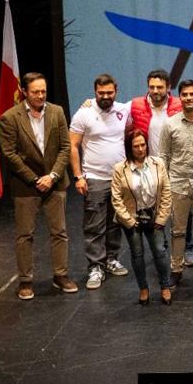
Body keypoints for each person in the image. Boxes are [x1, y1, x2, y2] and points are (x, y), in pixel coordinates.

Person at [0, 72, 77, 299]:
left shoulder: (57, 111)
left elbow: (65, 147)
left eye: (43, 91)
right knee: (25, 234)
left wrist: (52, 175)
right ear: (24, 92)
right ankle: (25, 281)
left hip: (55, 182)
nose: (41, 95)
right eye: (35, 92)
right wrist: (34, 179)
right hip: (26, 184)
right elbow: (10, 154)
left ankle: (60, 275)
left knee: (59, 232)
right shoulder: (10, 118)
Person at [69, 72, 131, 288]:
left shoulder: (123, 110)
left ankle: (111, 259)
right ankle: (95, 266)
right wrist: (78, 176)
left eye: (109, 92)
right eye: (101, 92)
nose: (105, 96)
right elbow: (72, 146)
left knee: (115, 222)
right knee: (94, 225)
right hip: (94, 178)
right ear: (95, 92)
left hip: (119, 178)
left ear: (116, 91)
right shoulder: (84, 113)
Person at [158, 79, 193, 292]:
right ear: (179, 97)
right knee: (177, 230)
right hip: (177, 183)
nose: (189, 98)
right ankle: (176, 269)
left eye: (192, 94)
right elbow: (163, 156)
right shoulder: (170, 124)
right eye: (185, 94)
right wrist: (163, 184)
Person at [110, 128, 172, 305]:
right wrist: (129, 221)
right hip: (132, 218)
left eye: (143, 145)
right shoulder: (119, 169)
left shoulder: (158, 163)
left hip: (154, 215)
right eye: (136, 146)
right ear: (129, 148)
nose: (140, 149)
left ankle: (165, 286)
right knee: (137, 254)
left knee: (160, 251)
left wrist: (162, 217)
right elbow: (116, 199)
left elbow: (166, 191)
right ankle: (143, 288)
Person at [129, 69, 181, 154]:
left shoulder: (180, 105)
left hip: (173, 161)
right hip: (147, 160)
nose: (155, 91)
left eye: (159, 87)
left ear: (168, 87)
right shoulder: (135, 105)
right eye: (152, 87)